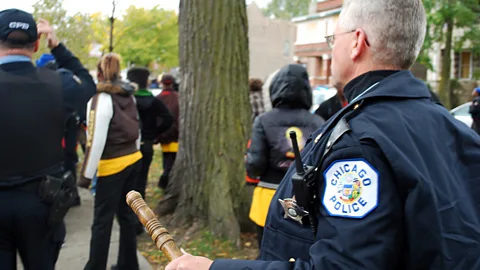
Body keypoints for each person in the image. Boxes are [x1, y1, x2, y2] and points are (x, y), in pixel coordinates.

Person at [165, 0, 480, 269]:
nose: (332, 49)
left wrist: (214, 267)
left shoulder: (359, 143)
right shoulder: (453, 128)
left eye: (334, 38)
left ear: (357, 42)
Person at [0, 10, 94, 269]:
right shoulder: (59, 84)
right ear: (36, 44)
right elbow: (88, 84)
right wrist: (59, 47)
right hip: (41, 203)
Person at [246, 64, 324, 249]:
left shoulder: (264, 121)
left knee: (267, 253)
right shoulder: (319, 122)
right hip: (305, 200)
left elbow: (255, 165)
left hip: (268, 196)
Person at [79, 53, 142, 270]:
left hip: (112, 165)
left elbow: (95, 141)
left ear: (98, 73)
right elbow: (137, 129)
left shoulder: (100, 99)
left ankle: (95, 266)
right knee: (126, 216)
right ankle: (128, 264)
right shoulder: (129, 95)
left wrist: (85, 177)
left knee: (101, 222)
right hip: (134, 159)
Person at [127, 67, 173, 234]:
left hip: (130, 145)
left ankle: (128, 221)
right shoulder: (153, 101)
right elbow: (168, 118)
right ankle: (139, 223)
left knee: (128, 185)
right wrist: (155, 134)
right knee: (141, 184)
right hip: (146, 144)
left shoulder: (128, 99)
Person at [155, 74, 179, 189]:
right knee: (172, 160)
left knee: (167, 159)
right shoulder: (178, 97)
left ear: (162, 83)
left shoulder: (158, 98)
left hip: (163, 134)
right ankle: (167, 180)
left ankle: (165, 179)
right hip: (176, 135)